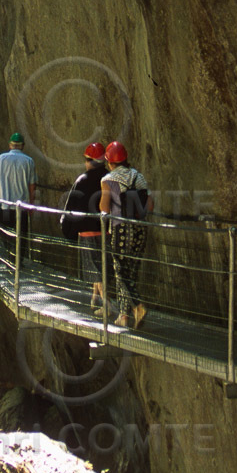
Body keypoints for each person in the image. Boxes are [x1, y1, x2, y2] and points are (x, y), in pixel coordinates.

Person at [99, 140, 152, 330]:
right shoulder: (139, 177)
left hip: (121, 228)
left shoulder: (108, 180)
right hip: (139, 228)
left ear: (109, 161)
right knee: (132, 271)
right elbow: (150, 205)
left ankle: (137, 306)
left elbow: (104, 207)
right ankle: (123, 315)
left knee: (120, 270)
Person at [62, 142, 109, 316]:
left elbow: (71, 206)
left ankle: (106, 305)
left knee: (94, 268)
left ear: (89, 161)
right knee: (101, 266)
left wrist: (68, 228)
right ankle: (95, 298)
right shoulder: (109, 178)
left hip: (87, 231)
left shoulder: (82, 180)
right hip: (107, 230)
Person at [0, 131, 37, 266]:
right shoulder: (29, 161)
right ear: (22, 145)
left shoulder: (1, 159)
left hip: (5, 205)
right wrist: (31, 204)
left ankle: (9, 254)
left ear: (10, 145)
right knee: (21, 235)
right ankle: (18, 261)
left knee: (5, 232)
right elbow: (32, 186)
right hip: (21, 207)